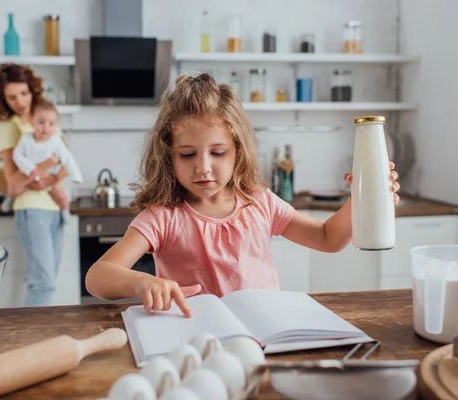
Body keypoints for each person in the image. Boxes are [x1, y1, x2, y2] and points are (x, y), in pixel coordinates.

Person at [84, 72, 400, 317]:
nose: (202, 168)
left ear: (238, 151)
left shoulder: (260, 202)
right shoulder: (163, 217)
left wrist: (361, 197)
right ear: (168, 157)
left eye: (218, 152)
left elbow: (328, 238)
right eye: (187, 155)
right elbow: (97, 277)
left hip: (265, 337)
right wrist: (142, 282)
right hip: (196, 341)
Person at [0, 63, 68, 307]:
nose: (19, 101)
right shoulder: (9, 127)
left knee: (48, 280)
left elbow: (64, 161)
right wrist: (47, 171)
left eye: (23, 93)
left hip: (56, 209)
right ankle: (29, 340)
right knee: (43, 283)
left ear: (32, 91)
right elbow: (13, 183)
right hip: (32, 210)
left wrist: (51, 180)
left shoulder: (45, 119)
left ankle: (38, 337)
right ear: (3, 99)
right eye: (11, 97)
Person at [0, 101, 83, 221]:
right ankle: (9, 200)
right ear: (32, 122)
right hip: (28, 173)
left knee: (61, 197)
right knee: (13, 189)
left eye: (51, 124)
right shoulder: (26, 139)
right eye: (41, 122)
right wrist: (29, 168)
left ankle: (65, 212)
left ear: (56, 126)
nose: (45, 127)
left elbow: (67, 158)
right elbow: (17, 155)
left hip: (48, 176)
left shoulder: (55, 141)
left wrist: (76, 175)